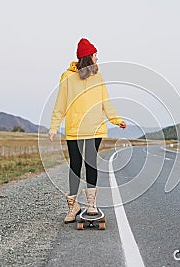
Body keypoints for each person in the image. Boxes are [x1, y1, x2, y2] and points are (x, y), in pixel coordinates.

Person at [48, 38, 127, 223]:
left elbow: (105, 102)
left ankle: (91, 205)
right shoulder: (67, 77)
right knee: (75, 166)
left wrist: (117, 120)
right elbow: (60, 104)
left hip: (95, 129)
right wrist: (53, 127)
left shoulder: (97, 77)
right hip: (74, 130)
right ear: (87, 57)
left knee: (91, 163)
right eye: (94, 55)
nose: (97, 58)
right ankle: (73, 206)